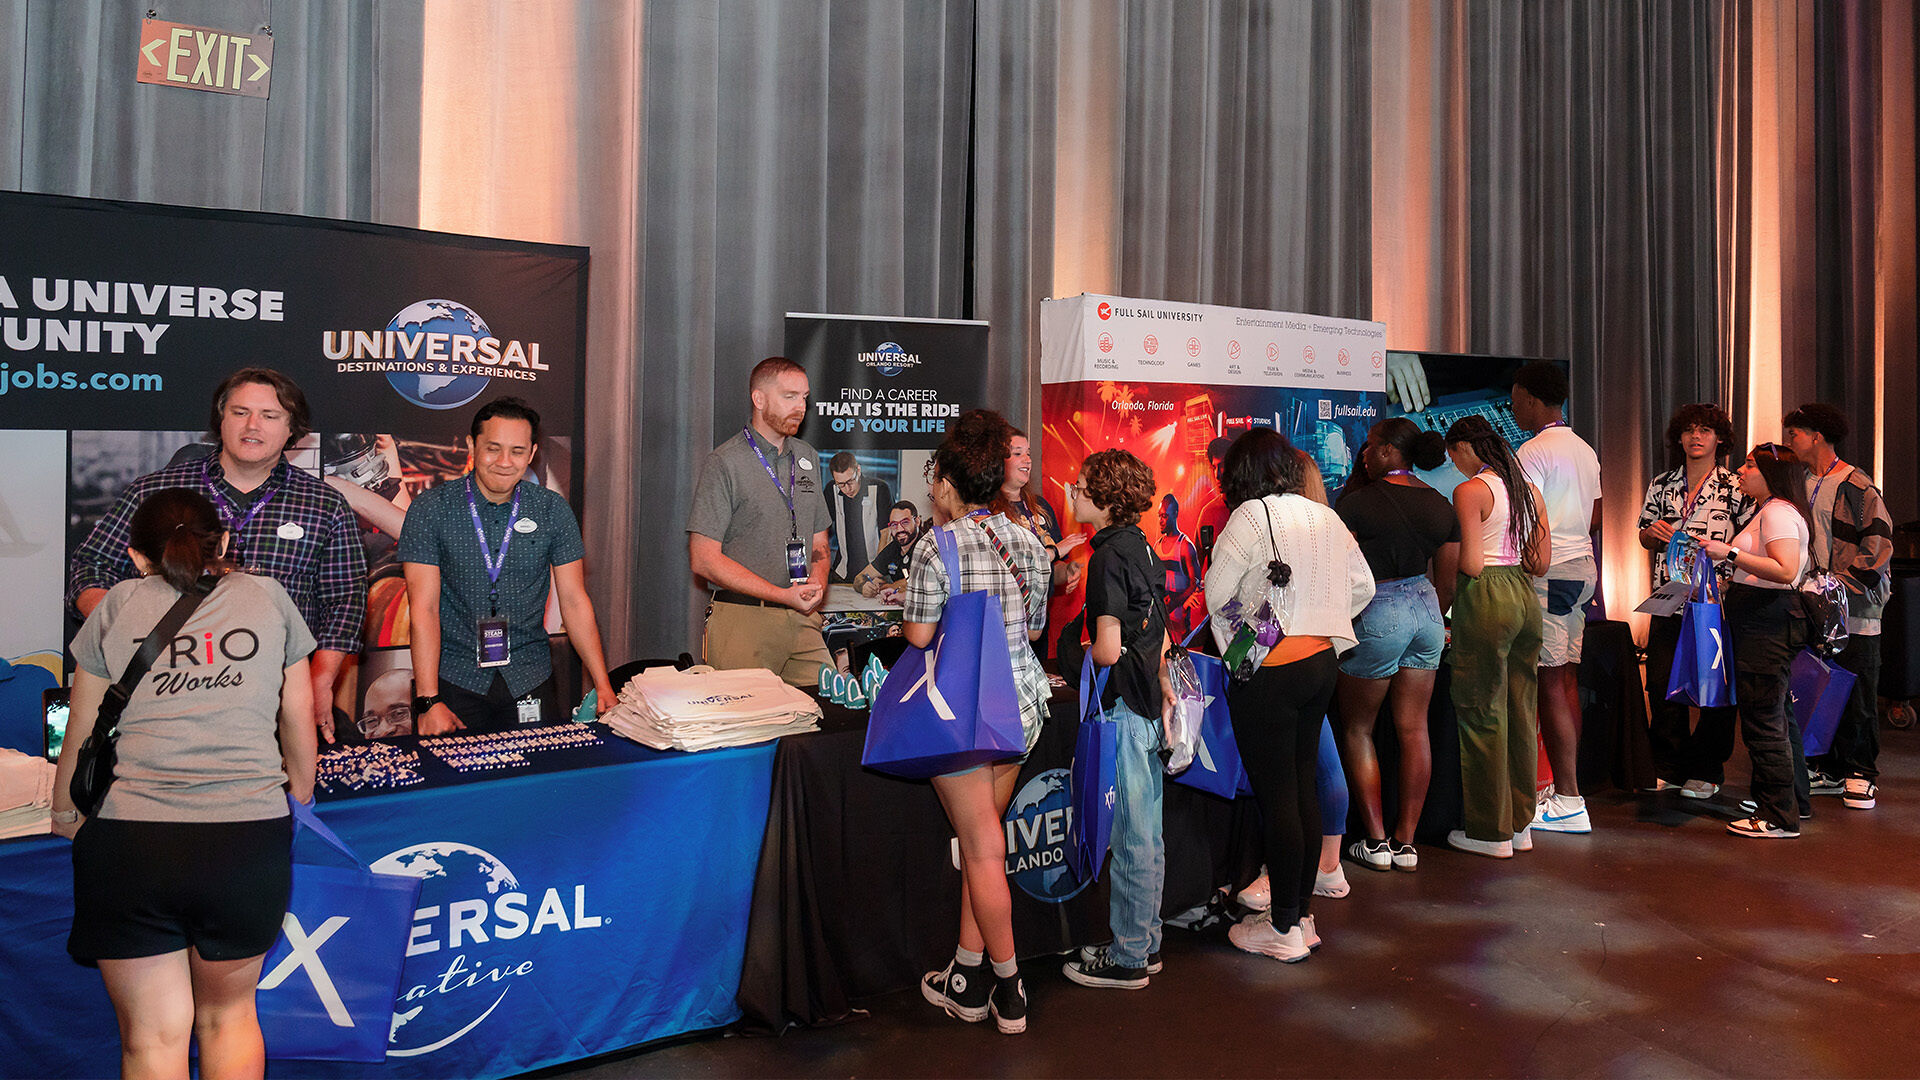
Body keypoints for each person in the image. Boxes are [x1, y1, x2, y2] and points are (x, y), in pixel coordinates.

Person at [50, 487, 318, 1079]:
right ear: (222, 544)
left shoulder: (116, 605)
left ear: (137, 556)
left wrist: (66, 816)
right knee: (229, 1018)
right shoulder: (267, 596)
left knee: (151, 1038)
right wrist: (297, 791)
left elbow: (83, 731)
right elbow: (298, 714)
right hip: (244, 838)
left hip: (131, 843)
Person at [67, 367, 367, 744]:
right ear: (220, 420)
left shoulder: (325, 505)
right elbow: (90, 566)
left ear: (292, 429)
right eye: (240, 412)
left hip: (278, 697)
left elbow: (346, 601)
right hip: (164, 696)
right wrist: (121, 629)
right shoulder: (156, 491)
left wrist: (319, 680)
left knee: (280, 796)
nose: (252, 426)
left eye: (270, 416)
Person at [1203, 430, 1373, 963]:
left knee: (1278, 796)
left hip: (1270, 670)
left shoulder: (1249, 517)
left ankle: (1281, 930)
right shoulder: (1326, 515)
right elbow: (1363, 585)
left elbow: (1216, 594)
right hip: (1321, 663)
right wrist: (1320, 616)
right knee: (1301, 787)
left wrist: (1246, 641)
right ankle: (1299, 917)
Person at [911, 410, 1050, 1034]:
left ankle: (1009, 985)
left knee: (984, 848)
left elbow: (917, 635)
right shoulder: (1027, 540)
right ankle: (966, 978)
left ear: (946, 479)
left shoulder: (934, 545)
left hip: (961, 718)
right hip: (1019, 708)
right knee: (981, 842)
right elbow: (1039, 626)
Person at [399, 397, 616, 734]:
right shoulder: (431, 509)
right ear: (472, 445)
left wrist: (602, 684)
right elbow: (423, 608)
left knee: (532, 782)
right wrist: (428, 701)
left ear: (531, 454)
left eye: (517, 451)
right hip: (455, 681)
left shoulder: (551, 510)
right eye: (493, 448)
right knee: (461, 784)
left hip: (530, 677)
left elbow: (574, 600)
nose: (504, 461)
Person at [1059, 449, 1172, 991]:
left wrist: (1067, 652)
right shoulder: (1145, 547)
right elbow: (1163, 634)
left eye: (1079, 485)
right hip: (1148, 700)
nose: (1071, 492)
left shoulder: (1106, 556)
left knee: (1129, 836)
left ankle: (1128, 958)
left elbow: (1106, 649)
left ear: (1103, 500)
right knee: (1147, 833)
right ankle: (1144, 944)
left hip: (1125, 704)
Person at [1334, 418, 1460, 871]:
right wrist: (1432, 612)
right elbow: (1447, 579)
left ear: (1389, 452)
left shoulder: (1356, 504)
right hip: (1426, 612)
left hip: (1377, 609)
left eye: (1369, 447)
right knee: (1415, 729)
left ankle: (1376, 840)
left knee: (1357, 729)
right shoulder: (1440, 504)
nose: (1363, 455)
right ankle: (1407, 843)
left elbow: (1339, 574)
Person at [687, 357, 832, 684]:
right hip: (744, 620)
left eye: (805, 397)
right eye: (790, 396)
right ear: (759, 399)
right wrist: (781, 595)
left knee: (829, 711)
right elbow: (703, 559)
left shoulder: (807, 456)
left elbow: (820, 542)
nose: (801, 407)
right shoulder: (725, 463)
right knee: (746, 727)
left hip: (803, 617)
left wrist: (817, 583)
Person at [1444, 415, 1550, 859]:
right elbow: (1540, 561)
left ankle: (1491, 832)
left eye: (1453, 455)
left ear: (1465, 447)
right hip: (1525, 595)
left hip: (1486, 593)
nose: (1453, 464)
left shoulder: (1470, 491)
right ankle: (1521, 825)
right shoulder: (1528, 490)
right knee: (1522, 710)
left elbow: (1469, 562)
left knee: (1482, 710)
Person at [1637, 404, 1754, 798]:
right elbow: (1642, 534)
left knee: (1713, 686)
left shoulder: (1736, 486)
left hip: (1715, 602)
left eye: (1705, 430)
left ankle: (1707, 768)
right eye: (1688, 430)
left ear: (1720, 438)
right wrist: (1654, 534)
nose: (1696, 437)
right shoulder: (1662, 483)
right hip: (1668, 597)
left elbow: (1751, 540)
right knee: (1660, 682)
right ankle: (1668, 764)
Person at [1783, 403, 1895, 810]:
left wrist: (1843, 589)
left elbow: (1880, 544)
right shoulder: (1798, 482)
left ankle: (1861, 771)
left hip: (1855, 606)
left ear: (1817, 436)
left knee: (1859, 686)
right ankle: (1828, 768)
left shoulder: (1856, 484)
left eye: (1795, 433)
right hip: (1817, 604)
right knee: (1821, 682)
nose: (1789, 441)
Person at [1703, 444, 1814, 837]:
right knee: (1777, 715)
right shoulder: (1769, 511)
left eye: (1750, 464)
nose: (1740, 469)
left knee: (1764, 720)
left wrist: (1728, 552)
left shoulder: (1778, 512)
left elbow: (1784, 570)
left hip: (1766, 622)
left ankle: (1778, 816)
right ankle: (1791, 802)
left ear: (1772, 472)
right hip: (1762, 619)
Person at [1510, 361, 1601, 834]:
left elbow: (1529, 519)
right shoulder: (1584, 449)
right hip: (1582, 568)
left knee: (1549, 683)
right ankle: (1567, 792)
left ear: (1529, 397)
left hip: (1550, 573)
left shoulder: (1531, 450)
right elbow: (1596, 515)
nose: (1512, 404)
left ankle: (1566, 797)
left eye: (1515, 396)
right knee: (1565, 681)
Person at [826, 452, 893, 583]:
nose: (847, 489)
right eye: (841, 484)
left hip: (874, 571)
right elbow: (823, 530)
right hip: (842, 571)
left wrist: (876, 572)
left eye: (850, 481)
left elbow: (886, 534)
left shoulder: (879, 489)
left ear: (858, 469)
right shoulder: (831, 489)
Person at [1154, 494, 1203, 640]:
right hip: (1163, 625)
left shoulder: (1185, 547)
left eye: (1164, 516)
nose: (1161, 521)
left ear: (1175, 514)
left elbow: (1196, 583)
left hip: (1181, 627)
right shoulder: (1157, 546)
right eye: (1159, 516)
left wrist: (1175, 602)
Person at [854, 500, 923, 600]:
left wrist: (884, 587)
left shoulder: (926, 547)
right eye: (894, 524)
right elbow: (859, 578)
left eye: (905, 522)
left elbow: (915, 582)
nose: (899, 529)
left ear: (917, 521)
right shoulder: (892, 548)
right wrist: (865, 587)